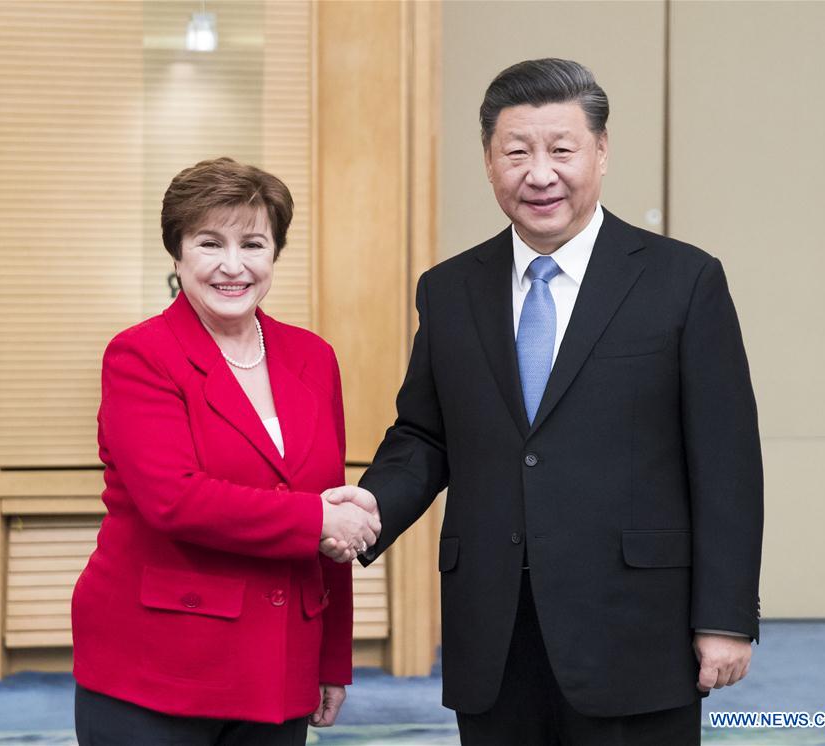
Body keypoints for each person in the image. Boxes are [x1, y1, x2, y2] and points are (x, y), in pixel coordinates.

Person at [324, 59, 763, 745]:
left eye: (561, 149)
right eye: (517, 151)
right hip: (495, 633)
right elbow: (426, 434)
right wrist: (373, 505)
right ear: (489, 161)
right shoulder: (450, 289)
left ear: (602, 151)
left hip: (634, 630)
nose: (539, 173)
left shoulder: (683, 282)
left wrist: (726, 617)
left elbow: (726, 463)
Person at [71, 157, 380, 746]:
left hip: (283, 661)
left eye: (253, 243)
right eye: (210, 242)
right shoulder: (140, 356)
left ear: (274, 254)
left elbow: (331, 511)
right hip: (159, 664)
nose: (233, 266)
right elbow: (174, 499)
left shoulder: (313, 358)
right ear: (178, 253)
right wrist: (318, 518)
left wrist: (331, 656)